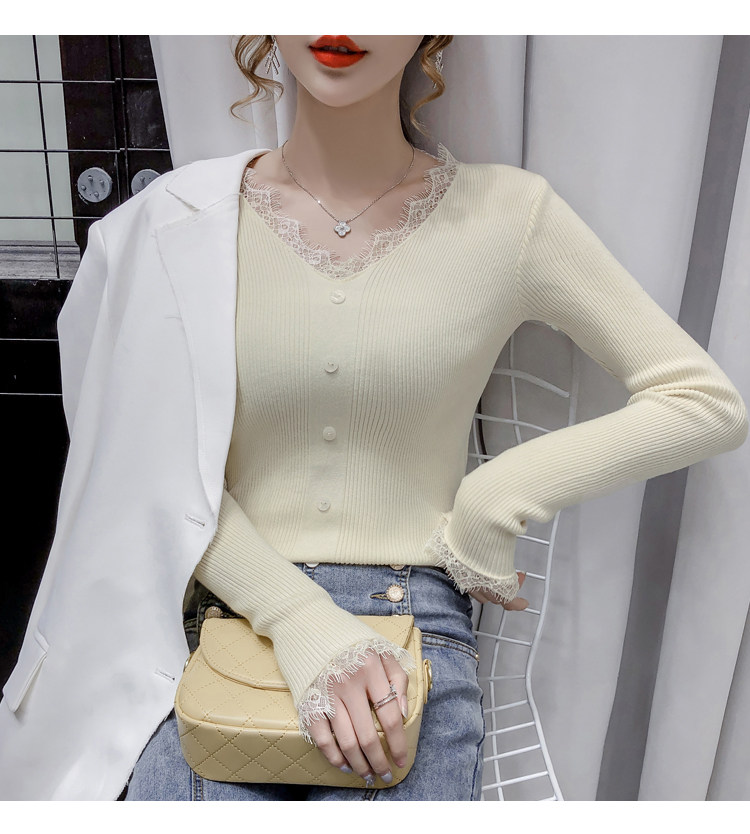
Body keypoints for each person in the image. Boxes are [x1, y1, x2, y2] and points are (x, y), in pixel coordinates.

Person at [0, 35, 746, 801]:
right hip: (225, 631)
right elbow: (140, 470)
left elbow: (701, 400)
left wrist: (494, 500)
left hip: (413, 635)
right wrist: (297, 619)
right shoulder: (173, 223)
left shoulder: (510, 215)